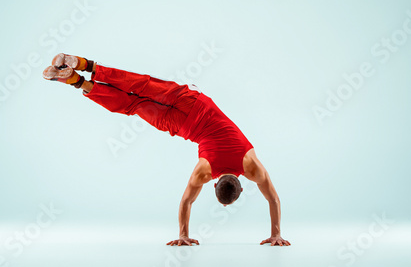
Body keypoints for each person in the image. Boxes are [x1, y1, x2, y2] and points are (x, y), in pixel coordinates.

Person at [43, 53, 291, 247]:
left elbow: (274, 199)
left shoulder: (251, 164)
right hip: (181, 125)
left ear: (240, 183)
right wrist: (183, 235)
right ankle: (75, 81)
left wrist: (276, 233)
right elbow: (187, 201)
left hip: (194, 100)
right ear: (214, 184)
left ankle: (82, 63)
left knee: (141, 84)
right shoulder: (205, 171)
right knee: (133, 104)